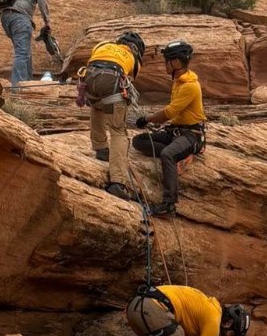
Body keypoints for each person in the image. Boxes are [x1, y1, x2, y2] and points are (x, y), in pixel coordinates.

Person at [132, 40, 205, 216]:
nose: (165, 64)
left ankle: (169, 205)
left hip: (191, 135)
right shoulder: (179, 81)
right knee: (138, 141)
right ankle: (179, 154)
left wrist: (147, 119)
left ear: (177, 63)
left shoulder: (190, 85)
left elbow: (169, 112)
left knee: (167, 155)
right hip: (176, 132)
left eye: (167, 61)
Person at [78, 31, 146, 200]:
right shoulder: (134, 59)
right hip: (112, 82)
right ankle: (118, 182)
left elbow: (93, 60)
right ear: (136, 49)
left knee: (97, 107)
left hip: (90, 79)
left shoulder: (103, 45)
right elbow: (128, 80)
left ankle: (101, 148)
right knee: (118, 131)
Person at [0, 0, 51, 90]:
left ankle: (27, 83)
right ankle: (18, 88)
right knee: (22, 53)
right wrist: (47, 21)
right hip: (20, 17)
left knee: (24, 50)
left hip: (6, 17)